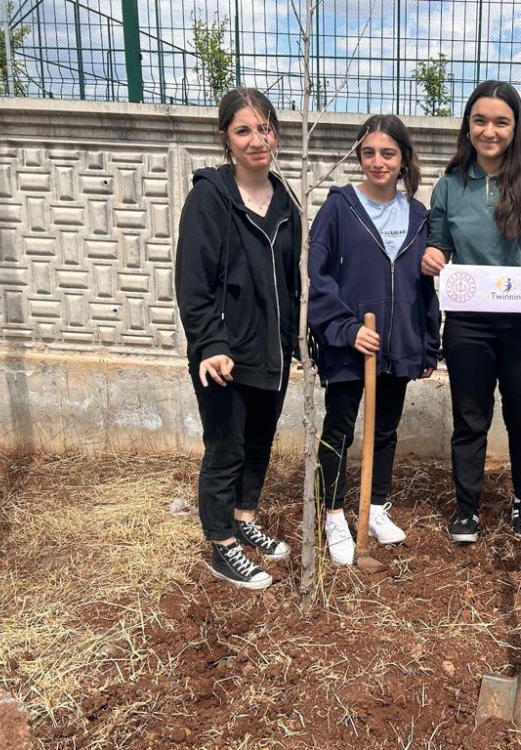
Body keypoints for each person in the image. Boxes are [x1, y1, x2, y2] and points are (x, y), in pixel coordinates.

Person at [422, 81, 521, 543]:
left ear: (516, 127)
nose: (489, 131)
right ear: (468, 125)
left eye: (501, 122)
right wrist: (431, 256)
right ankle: (467, 506)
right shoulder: (450, 185)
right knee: (470, 417)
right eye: (480, 120)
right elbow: (437, 245)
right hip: (469, 321)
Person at [175, 88, 300, 590]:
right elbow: (193, 281)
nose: (257, 140)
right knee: (225, 446)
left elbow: (291, 279)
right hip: (225, 353)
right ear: (225, 138)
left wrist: (294, 340)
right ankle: (222, 544)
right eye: (243, 130)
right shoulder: (210, 197)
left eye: (264, 127)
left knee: (259, 442)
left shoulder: (283, 197)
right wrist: (210, 343)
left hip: (271, 350)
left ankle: (246, 520)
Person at [309, 114, 439, 565]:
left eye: (388, 153)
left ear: (403, 158)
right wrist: (346, 330)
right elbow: (319, 277)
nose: (377, 162)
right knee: (339, 430)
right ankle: (334, 514)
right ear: (358, 155)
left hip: (398, 340)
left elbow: (426, 287)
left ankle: (377, 506)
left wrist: (427, 342)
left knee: (385, 429)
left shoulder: (420, 217)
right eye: (368, 153)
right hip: (351, 342)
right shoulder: (339, 208)